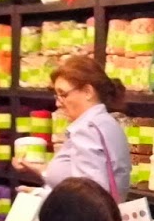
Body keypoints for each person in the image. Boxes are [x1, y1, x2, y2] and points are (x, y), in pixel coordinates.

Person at [13, 55, 130, 199]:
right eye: (57, 96)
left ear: (88, 92)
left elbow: (89, 196)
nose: (58, 103)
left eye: (63, 94)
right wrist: (39, 190)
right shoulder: (107, 123)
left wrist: (43, 197)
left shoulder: (87, 130)